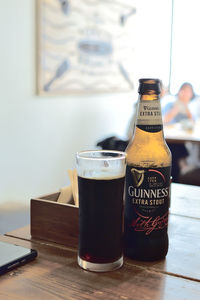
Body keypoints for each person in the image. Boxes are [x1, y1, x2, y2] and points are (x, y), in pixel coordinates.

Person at [162, 82, 196, 182]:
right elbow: (164, 121)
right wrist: (177, 107)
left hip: (184, 139)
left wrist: (186, 107)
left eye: (188, 92)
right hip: (170, 138)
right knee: (174, 145)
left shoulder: (190, 107)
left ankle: (183, 167)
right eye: (184, 91)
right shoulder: (170, 105)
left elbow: (193, 123)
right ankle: (182, 167)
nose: (185, 94)